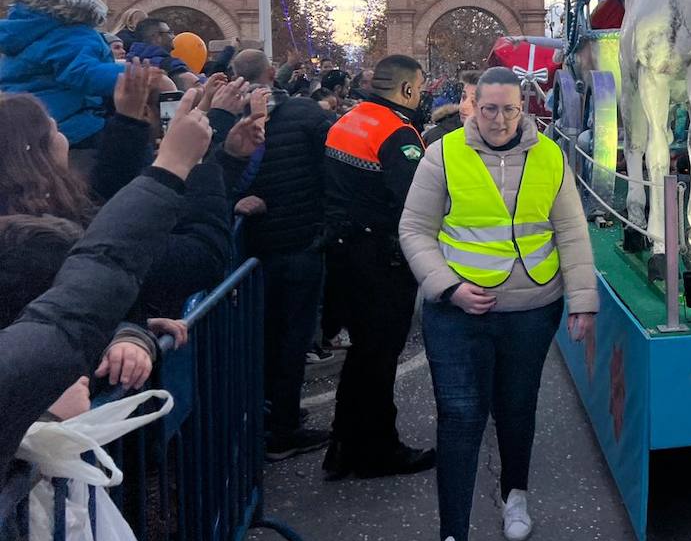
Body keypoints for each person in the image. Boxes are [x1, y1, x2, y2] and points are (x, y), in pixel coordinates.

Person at [399, 67, 597, 541]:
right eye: (490, 109)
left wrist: (584, 301)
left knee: (516, 407)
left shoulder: (550, 156)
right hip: (457, 314)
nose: (500, 119)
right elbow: (415, 230)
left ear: (523, 108)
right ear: (473, 105)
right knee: (461, 417)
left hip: (531, 310)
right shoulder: (442, 154)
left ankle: (515, 495)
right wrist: (448, 288)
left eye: (510, 109)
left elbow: (571, 232)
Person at [0, 89, 212, 467]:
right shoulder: (27, 244)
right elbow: (71, 308)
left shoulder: (59, 213)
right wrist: (175, 167)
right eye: (53, 128)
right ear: (29, 149)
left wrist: (130, 330)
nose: (63, 135)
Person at [321, 54, 434, 480]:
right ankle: (378, 451)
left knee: (361, 356)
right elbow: (416, 200)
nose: (421, 96)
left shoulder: (348, 121)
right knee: (379, 358)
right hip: (382, 262)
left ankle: (343, 445)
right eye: (420, 89)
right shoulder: (398, 133)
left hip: (345, 253)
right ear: (407, 90)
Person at [229, 49, 337, 460]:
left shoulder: (227, 120)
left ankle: (268, 416)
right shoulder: (307, 115)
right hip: (301, 244)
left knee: (264, 338)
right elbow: (331, 167)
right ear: (272, 74)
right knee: (293, 339)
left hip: (255, 250)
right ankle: (283, 428)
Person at [0, 0, 125, 150]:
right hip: (66, 126)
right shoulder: (74, 33)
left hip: (23, 122)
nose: (107, 2)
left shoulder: (37, 27)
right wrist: (133, 73)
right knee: (128, 142)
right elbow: (83, 73)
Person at [126, 16, 197, 90]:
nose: (174, 36)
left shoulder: (127, 64)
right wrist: (201, 80)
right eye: (169, 32)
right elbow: (192, 82)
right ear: (156, 37)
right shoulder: (171, 64)